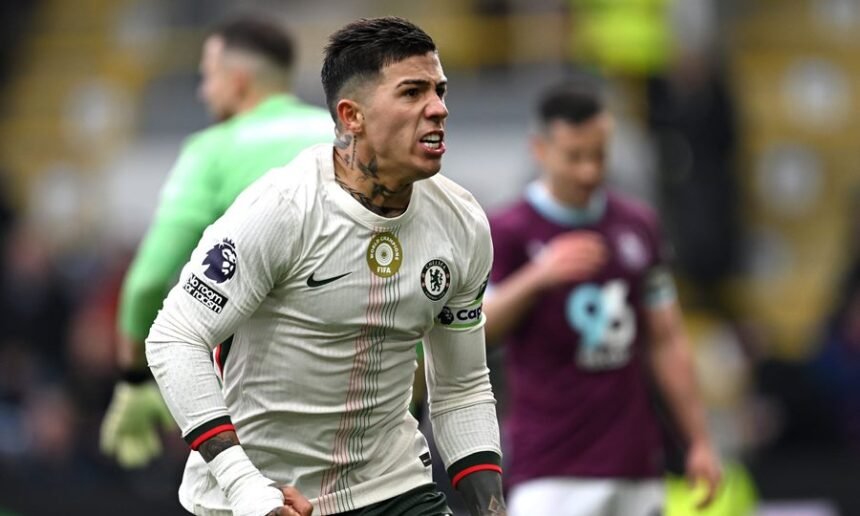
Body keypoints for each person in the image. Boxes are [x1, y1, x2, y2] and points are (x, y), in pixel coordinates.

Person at [145, 16, 506, 516]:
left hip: (393, 487)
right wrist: (244, 485)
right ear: (351, 115)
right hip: (259, 494)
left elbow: (462, 385)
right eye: (412, 93)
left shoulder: (462, 223)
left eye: (440, 91)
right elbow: (174, 336)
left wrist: (492, 509)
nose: (439, 109)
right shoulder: (282, 208)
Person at [100, 16, 334, 469]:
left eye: (207, 76)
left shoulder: (212, 151)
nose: (202, 92)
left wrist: (133, 379)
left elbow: (147, 281)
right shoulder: (343, 136)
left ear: (238, 81)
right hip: (364, 407)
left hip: (262, 415)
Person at [483, 81, 720, 516]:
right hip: (550, 468)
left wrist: (699, 441)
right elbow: (479, 331)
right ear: (540, 149)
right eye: (575, 157)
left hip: (635, 464)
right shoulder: (509, 230)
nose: (589, 171)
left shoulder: (638, 225)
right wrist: (539, 276)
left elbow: (666, 339)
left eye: (599, 155)